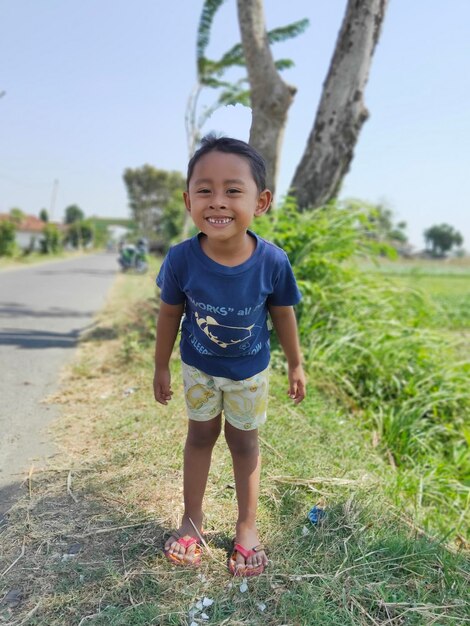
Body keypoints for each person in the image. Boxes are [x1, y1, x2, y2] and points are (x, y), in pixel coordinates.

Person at [154, 134, 306, 576]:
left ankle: (246, 527)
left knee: (244, 443)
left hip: (248, 376)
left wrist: (296, 362)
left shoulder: (273, 262)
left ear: (261, 202)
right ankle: (192, 520)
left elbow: (283, 314)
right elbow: (169, 315)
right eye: (205, 190)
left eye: (232, 190)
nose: (217, 202)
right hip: (199, 370)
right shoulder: (181, 259)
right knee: (199, 437)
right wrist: (160, 364)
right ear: (188, 200)